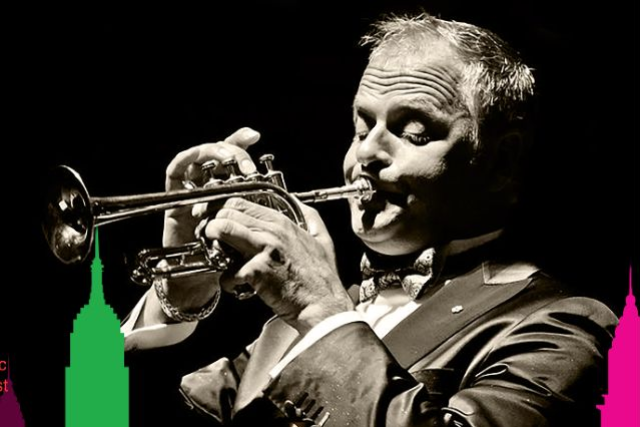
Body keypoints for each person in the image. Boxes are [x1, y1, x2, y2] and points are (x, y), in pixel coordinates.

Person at [122, 13, 617, 426]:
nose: (367, 153)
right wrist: (178, 300)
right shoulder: (311, 318)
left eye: (414, 132)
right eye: (361, 128)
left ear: (500, 163)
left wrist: (319, 309)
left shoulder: (564, 324)